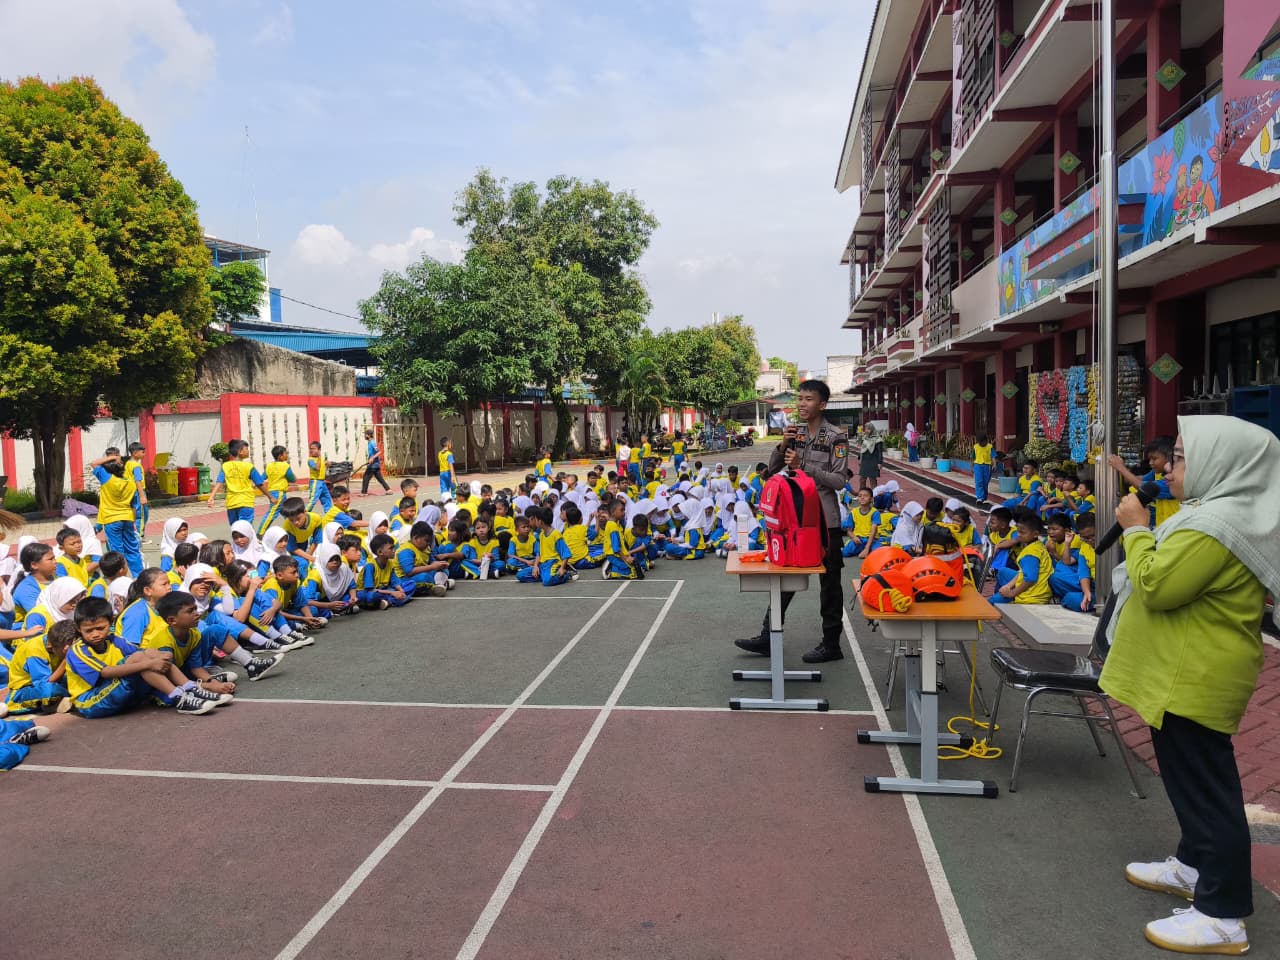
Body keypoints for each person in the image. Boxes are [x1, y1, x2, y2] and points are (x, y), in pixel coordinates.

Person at [1101, 418, 1280, 956]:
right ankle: (1192, 863)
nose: (1169, 466)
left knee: (1207, 790)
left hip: (1193, 675)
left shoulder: (1217, 525)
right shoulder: (1213, 514)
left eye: (1179, 457)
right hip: (1180, 673)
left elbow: (1157, 586)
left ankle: (1224, 914)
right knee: (1188, 779)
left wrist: (1134, 528)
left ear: (1222, 463)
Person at [734, 379, 850, 664]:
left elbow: (838, 480)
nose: (801, 403)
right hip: (796, 520)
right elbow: (770, 471)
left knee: (830, 585)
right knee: (785, 577)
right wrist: (783, 443)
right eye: (799, 398)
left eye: (808, 399)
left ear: (822, 404)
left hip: (825, 520)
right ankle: (768, 635)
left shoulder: (836, 437)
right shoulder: (795, 435)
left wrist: (803, 466)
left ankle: (831, 643)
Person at [65, 596, 218, 717]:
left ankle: (189, 689)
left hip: (116, 693)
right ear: (79, 629)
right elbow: (105, 672)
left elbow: (141, 651)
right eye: (89, 630)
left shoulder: (114, 640)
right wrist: (149, 664)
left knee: (148, 654)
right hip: (90, 702)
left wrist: (158, 655)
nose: (96, 634)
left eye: (100, 628)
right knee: (141, 660)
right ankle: (179, 697)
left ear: (110, 622)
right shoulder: (78, 650)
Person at [89, 452, 145, 577]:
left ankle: (119, 577)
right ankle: (140, 576)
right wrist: (134, 522)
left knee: (117, 551)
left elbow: (93, 463)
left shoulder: (107, 478)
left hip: (111, 519)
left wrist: (112, 457)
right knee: (132, 549)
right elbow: (133, 505)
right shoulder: (130, 482)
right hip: (127, 518)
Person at [1109, 436, 1180, 529]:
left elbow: (1142, 486)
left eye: (1154, 459)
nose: (1150, 463)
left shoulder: (1172, 482)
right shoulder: (1157, 473)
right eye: (1150, 459)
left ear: (1170, 458)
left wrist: (1121, 467)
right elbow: (1137, 480)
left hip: (1173, 529)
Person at [5, 619, 74, 714]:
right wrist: (66, 659)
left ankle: (55, 703)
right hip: (24, 691)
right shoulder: (35, 650)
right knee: (49, 690)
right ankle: (57, 702)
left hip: (55, 681)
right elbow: (46, 683)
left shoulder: (56, 642)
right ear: (51, 647)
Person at [992, 512, 1053, 604]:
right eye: (1018, 531)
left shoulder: (1030, 553)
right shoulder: (1038, 545)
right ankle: (1002, 593)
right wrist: (1008, 586)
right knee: (1003, 572)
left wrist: (1011, 593)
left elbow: (1030, 579)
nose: (1019, 535)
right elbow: (1023, 572)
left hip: (1031, 597)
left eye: (1022, 532)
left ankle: (1002, 601)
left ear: (1035, 534)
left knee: (992, 602)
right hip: (1040, 590)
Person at [207, 439, 270, 526]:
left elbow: (219, 481)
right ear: (240, 451)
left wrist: (211, 497)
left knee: (235, 529)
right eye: (246, 449)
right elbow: (260, 484)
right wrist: (270, 497)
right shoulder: (249, 467)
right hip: (246, 502)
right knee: (245, 530)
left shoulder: (225, 466)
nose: (248, 451)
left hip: (231, 503)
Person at [259, 445, 297, 535]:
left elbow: (262, 477)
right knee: (271, 513)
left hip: (273, 491)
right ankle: (260, 533)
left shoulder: (269, 466)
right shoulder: (284, 465)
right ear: (280, 456)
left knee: (286, 512)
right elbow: (292, 479)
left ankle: (294, 530)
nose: (287, 455)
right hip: (279, 493)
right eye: (285, 453)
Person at [124, 441, 149, 542]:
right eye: (142, 451)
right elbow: (138, 481)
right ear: (135, 453)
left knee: (135, 514)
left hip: (131, 492)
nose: (144, 453)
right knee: (142, 515)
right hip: (138, 492)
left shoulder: (128, 464)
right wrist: (142, 496)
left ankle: (135, 534)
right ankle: (140, 536)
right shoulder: (136, 466)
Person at [360, 428, 391, 495]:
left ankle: (364, 492)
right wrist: (370, 458)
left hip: (373, 465)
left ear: (368, 435)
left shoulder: (372, 443)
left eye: (365, 434)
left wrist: (372, 458)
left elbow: (379, 452)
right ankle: (388, 490)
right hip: (375, 464)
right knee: (380, 478)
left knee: (366, 477)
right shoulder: (370, 442)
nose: (364, 436)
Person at [305, 440, 333, 513]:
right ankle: (304, 514)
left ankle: (328, 514)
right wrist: (320, 457)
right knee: (312, 500)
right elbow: (317, 468)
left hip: (322, 482)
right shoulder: (310, 460)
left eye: (313, 449)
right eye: (310, 449)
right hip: (315, 482)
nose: (311, 450)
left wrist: (327, 464)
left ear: (319, 449)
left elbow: (323, 468)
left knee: (327, 499)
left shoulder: (321, 459)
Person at [857, 425, 882, 490]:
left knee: (872, 480)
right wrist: (860, 459)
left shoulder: (878, 439)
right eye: (866, 429)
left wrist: (879, 462)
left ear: (872, 429)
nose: (866, 430)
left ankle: (874, 496)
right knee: (862, 479)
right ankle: (861, 495)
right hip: (865, 460)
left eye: (868, 429)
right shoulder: (864, 437)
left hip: (873, 461)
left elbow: (880, 452)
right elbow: (862, 449)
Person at [973, 433, 994, 503]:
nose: (981, 443)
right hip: (977, 465)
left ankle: (984, 497)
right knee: (979, 482)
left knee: (985, 482)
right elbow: (973, 456)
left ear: (986, 440)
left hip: (987, 466)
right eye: (980, 442)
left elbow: (993, 456)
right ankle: (979, 497)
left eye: (983, 442)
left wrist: (995, 464)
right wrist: (972, 465)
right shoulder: (975, 447)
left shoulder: (990, 447)